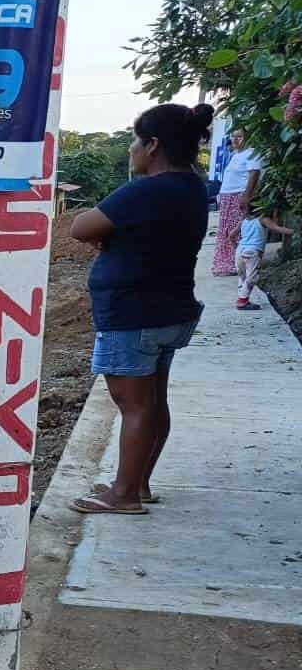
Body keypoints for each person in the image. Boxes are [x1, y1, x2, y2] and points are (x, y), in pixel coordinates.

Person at [69, 103, 213, 516]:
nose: (131, 149)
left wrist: (108, 238)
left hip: (134, 314)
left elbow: (81, 227)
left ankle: (124, 495)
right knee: (152, 402)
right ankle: (137, 483)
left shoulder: (145, 190)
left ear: (152, 145)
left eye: (135, 141)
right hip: (170, 310)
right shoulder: (191, 188)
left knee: (134, 406)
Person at [211, 128, 263, 275]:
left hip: (239, 196)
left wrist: (246, 195)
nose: (235, 139)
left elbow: (254, 174)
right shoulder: (236, 155)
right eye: (233, 136)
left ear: (248, 137)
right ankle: (225, 263)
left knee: (237, 231)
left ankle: (238, 263)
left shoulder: (252, 153)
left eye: (239, 136)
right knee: (225, 230)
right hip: (227, 196)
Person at [234, 200, 295, 311]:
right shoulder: (263, 219)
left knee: (242, 275)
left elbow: (231, 235)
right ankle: (242, 302)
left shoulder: (243, 221)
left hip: (239, 251)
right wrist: (294, 231)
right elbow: (277, 229)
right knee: (252, 278)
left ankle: (242, 298)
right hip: (252, 251)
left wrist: (235, 246)